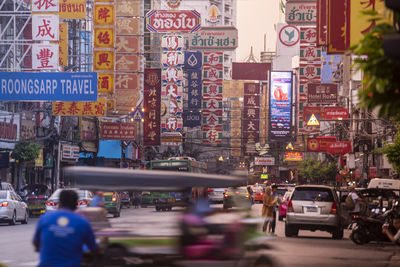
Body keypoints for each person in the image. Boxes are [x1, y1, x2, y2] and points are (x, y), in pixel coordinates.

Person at [33, 189, 98, 267]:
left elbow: (36, 243)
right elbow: (93, 248)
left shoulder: (45, 218)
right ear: (76, 205)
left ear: (59, 204)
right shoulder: (82, 222)